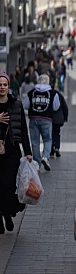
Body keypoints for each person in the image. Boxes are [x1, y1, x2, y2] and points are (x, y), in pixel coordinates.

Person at [0, 73, 33, 234]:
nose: (2, 87)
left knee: (8, 185)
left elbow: (23, 130)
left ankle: (7, 214)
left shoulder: (16, 105)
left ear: (8, 86)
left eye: (4, 84)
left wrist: (28, 152)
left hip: (12, 151)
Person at [23, 74, 64, 171]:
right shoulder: (53, 93)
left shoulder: (32, 92)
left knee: (35, 142)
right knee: (48, 140)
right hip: (47, 119)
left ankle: (37, 163)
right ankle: (45, 157)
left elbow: (25, 105)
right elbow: (56, 107)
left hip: (33, 119)